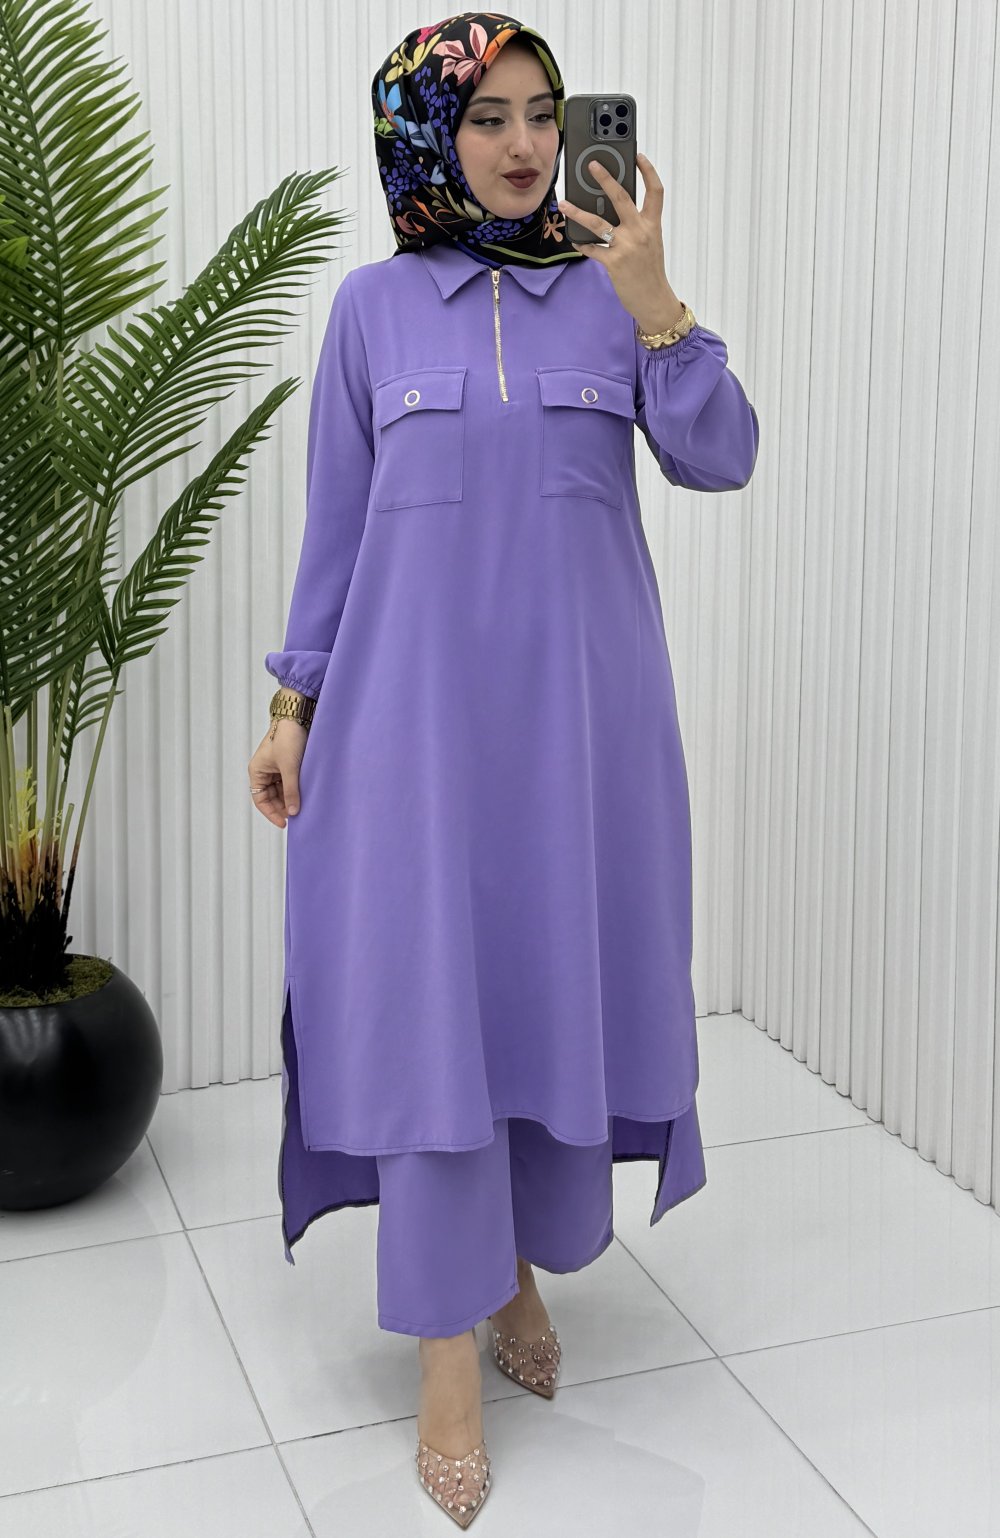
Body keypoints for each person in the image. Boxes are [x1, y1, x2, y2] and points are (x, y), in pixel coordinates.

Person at [247, 11, 758, 1527]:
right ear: (430, 134)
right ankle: (445, 1358)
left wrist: (657, 304)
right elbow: (338, 528)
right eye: (488, 117)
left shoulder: (613, 296)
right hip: (410, 731)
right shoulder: (371, 311)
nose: (527, 144)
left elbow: (723, 456)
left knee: (536, 998)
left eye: (544, 112)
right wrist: (292, 706)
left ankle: (518, 1266)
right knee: (427, 1017)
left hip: (581, 733)